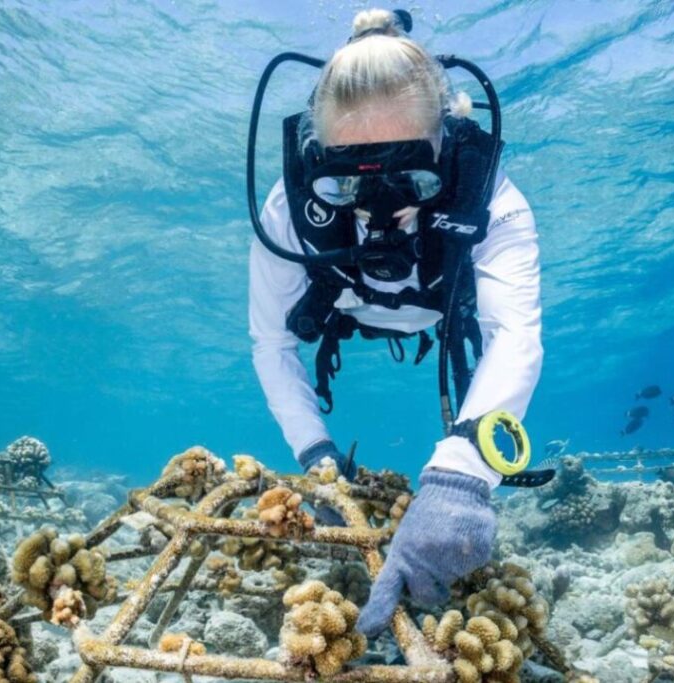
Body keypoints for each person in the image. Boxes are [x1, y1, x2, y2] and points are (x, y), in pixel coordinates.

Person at [248, 9, 543, 636]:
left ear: (448, 142)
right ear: (315, 156)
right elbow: (271, 340)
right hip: (346, 308)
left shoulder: (490, 198)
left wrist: (463, 476)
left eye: (411, 176)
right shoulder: (289, 207)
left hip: (443, 307)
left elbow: (513, 335)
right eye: (347, 184)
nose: (383, 209)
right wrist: (317, 457)